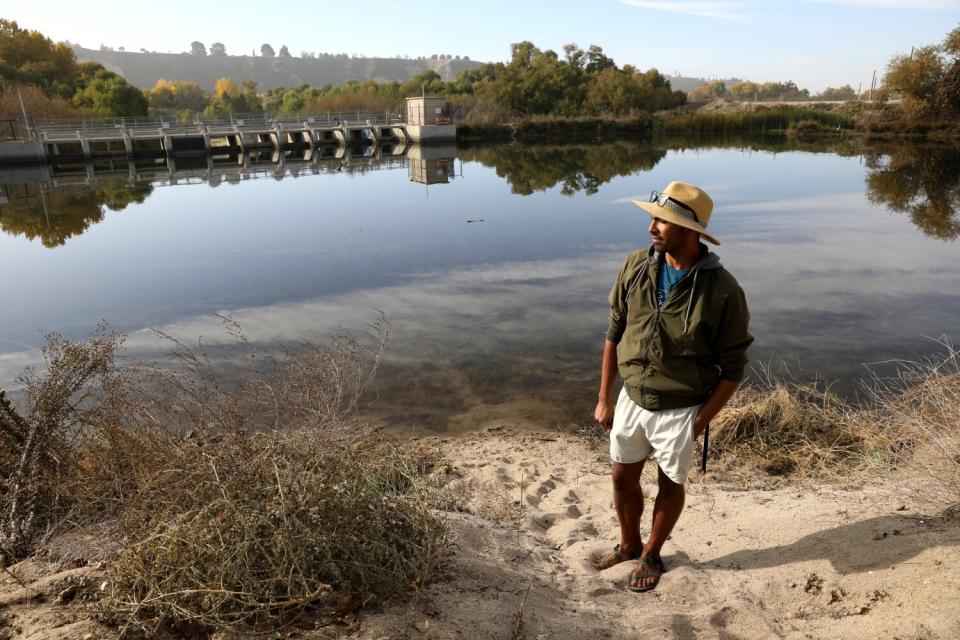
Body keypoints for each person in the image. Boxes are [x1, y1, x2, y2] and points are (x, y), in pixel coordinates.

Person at [593, 181, 753, 592]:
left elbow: (733, 369)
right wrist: (604, 399)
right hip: (631, 398)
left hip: (682, 408)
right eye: (653, 217)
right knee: (620, 478)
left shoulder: (723, 292)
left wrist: (698, 423)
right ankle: (629, 544)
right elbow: (614, 333)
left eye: (662, 221)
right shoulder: (634, 268)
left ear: (689, 230)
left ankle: (651, 554)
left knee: (670, 483)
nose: (652, 228)